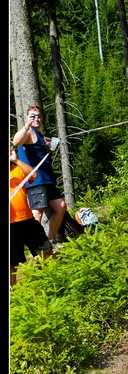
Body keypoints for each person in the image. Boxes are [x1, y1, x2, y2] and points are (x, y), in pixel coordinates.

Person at [12, 105, 67, 245]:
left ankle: (50, 240)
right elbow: (16, 141)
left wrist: (47, 150)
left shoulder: (38, 135)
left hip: (47, 180)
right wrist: (26, 125)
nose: (36, 119)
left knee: (60, 206)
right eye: (32, 116)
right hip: (36, 181)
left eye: (38, 116)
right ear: (27, 118)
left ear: (41, 118)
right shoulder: (29, 131)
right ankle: (36, 246)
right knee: (37, 213)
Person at [10, 146, 53, 287]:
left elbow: (33, 176)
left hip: (28, 221)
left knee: (46, 252)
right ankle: (13, 294)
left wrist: (16, 160)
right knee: (12, 265)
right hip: (10, 226)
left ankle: (46, 283)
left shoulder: (17, 170)